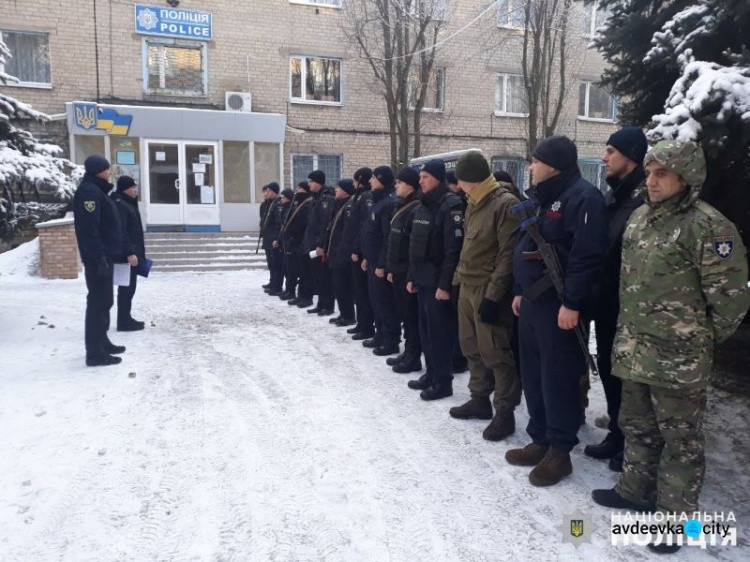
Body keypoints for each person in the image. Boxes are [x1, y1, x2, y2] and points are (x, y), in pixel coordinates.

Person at [592, 140, 750, 554]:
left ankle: (675, 519)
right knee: (638, 428)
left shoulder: (709, 227)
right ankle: (635, 490)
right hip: (636, 351)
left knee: (681, 442)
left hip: (680, 362)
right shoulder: (641, 219)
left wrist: (699, 340)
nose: (652, 180)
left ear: (687, 176)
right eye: (649, 172)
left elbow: (731, 300)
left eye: (662, 173)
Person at [506, 135, 607, 486]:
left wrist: (572, 303)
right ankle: (540, 438)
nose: (531, 166)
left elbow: (587, 257)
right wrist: (520, 290)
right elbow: (526, 245)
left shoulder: (584, 198)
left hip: (559, 307)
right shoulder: (538, 198)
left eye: (535, 161)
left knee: (558, 378)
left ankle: (560, 452)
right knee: (532, 374)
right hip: (532, 303)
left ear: (553, 165)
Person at [583, 127, 647, 473]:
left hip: (632, 309)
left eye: (611, 151)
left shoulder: (642, 200)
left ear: (631, 155)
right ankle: (618, 437)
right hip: (607, 303)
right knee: (609, 370)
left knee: (629, 380)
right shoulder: (614, 196)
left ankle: (631, 447)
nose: (605, 157)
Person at [449, 152, 522, 441]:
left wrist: (493, 297)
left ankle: (505, 412)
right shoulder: (473, 202)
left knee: (495, 352)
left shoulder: (505, 204)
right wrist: (457, 279)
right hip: (468, 285)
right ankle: (479, 399)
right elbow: (468, 245)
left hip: (488, 289)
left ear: (470, 180)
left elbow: (507, 256)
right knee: (471, 346)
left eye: (460, 181)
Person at [406, 159, 465, 401]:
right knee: (426, 331)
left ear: (438, 178)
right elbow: (415, 244)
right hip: (422, 279)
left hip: (438, 284)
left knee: (440, 334)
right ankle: (431, 374)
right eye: (420, 177)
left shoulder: (450, 205)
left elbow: (453, 251)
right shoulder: (424, 204)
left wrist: (444, 285)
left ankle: (443, 381)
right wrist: (412, 276)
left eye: (426, 177)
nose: (421, 181)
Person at [73, 155, 124, 367]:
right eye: (107, 168)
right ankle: (94, 353)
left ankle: (102, 342)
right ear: (97, 170)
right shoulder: (89, 192)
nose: (110, 171)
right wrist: (98, 258)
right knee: (98, 303)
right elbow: (89, 230)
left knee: (104, 302)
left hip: (104, 256)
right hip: (98, 259)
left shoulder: (97, 190)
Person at [360, 166, 401, 356]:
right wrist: (367, 258)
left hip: (380, 264)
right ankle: (380, 334)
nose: (370, 181)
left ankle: (391, 340)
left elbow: (387, 238)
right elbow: (370, 232)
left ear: (383, 180)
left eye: (374, 178)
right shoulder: (377, 200)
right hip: (373, 260)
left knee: (385, 303)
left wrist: (382, 264)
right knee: (375, 301)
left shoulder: (388, 203)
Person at [386, 167, 422, 373]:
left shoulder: (415, 208)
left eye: (399, 182)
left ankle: (413, 355)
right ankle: (408, 352)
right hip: (398, 270)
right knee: (405, 315)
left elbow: (412, 245)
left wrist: (409, 274)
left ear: (409, 185)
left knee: (411, 316)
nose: (396, 186)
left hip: (407, 271)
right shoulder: (403, 206)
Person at [111, 175, 146, 332]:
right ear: (125, 189)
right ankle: (123, 321)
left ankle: (126, 317)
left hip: (131, 254)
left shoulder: (128, 203)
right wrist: (130, 253)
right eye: (132, 187)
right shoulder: (120, 205)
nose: (135, 189)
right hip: (125, 256)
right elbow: (121, 231)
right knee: (126, 289)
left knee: (129, 288)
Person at [347, 167, 376, 340]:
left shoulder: (366, 197)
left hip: (360, 251)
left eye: (355, 180)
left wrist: (357, 249)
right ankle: (361, 323)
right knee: (359, 292)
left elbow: (363, 227)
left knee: (363, 293)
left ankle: (366, 327)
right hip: (355, 249)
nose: (353, 184)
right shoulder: (359, 196)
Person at [305, 170, 336, 316]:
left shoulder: (326, 199)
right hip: (312, 243)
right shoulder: (316, 198)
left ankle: (328, 306)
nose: (309, 184)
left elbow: (325, 224)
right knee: (317, 276)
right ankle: (321, 304)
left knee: (324, 277)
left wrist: (320, 244)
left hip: (321, 246)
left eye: (311, 181)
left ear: (318, 182)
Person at [327, 179, 357, 327]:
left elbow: (348, 233)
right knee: (338, 286)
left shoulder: (349, 206)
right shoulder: (339, 205)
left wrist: (341, 251)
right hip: (335, 252)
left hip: (343, 253)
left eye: (338, 188)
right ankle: (343, 313)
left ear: (345, 191)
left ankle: (349, 315)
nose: (335, 191)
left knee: (344, 286)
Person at [281, 181, 314, 308]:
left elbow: (304, 224)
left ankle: (307, 297)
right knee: (297, 270)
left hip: (303, 242)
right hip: (294, 241)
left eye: (301, 188)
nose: (297, 190)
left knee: (306, 273)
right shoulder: (297, 203)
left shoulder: (308, 203)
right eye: (297, 187)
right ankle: (300, 295)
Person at [260, 182, 284, 296]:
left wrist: (277, 239)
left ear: (274, 192)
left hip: (274, 239)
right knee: (271, 263)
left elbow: (278, 224)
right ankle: (272, 283)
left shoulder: (278, 204)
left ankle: (277, 286)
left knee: (276, 264)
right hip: (267, 237)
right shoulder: (268, 204)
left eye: (268, 191)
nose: (266, 193)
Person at [276, 189, 297, 301]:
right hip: (285, 242)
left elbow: (290, 227)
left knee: (291, 270)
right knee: (286, 268)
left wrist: (289, 242)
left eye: (283, 197)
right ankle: (288, 290)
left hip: (290, 243)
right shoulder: (284, 208)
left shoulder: (291, 209)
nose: (281, 199)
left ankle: (291, 291)